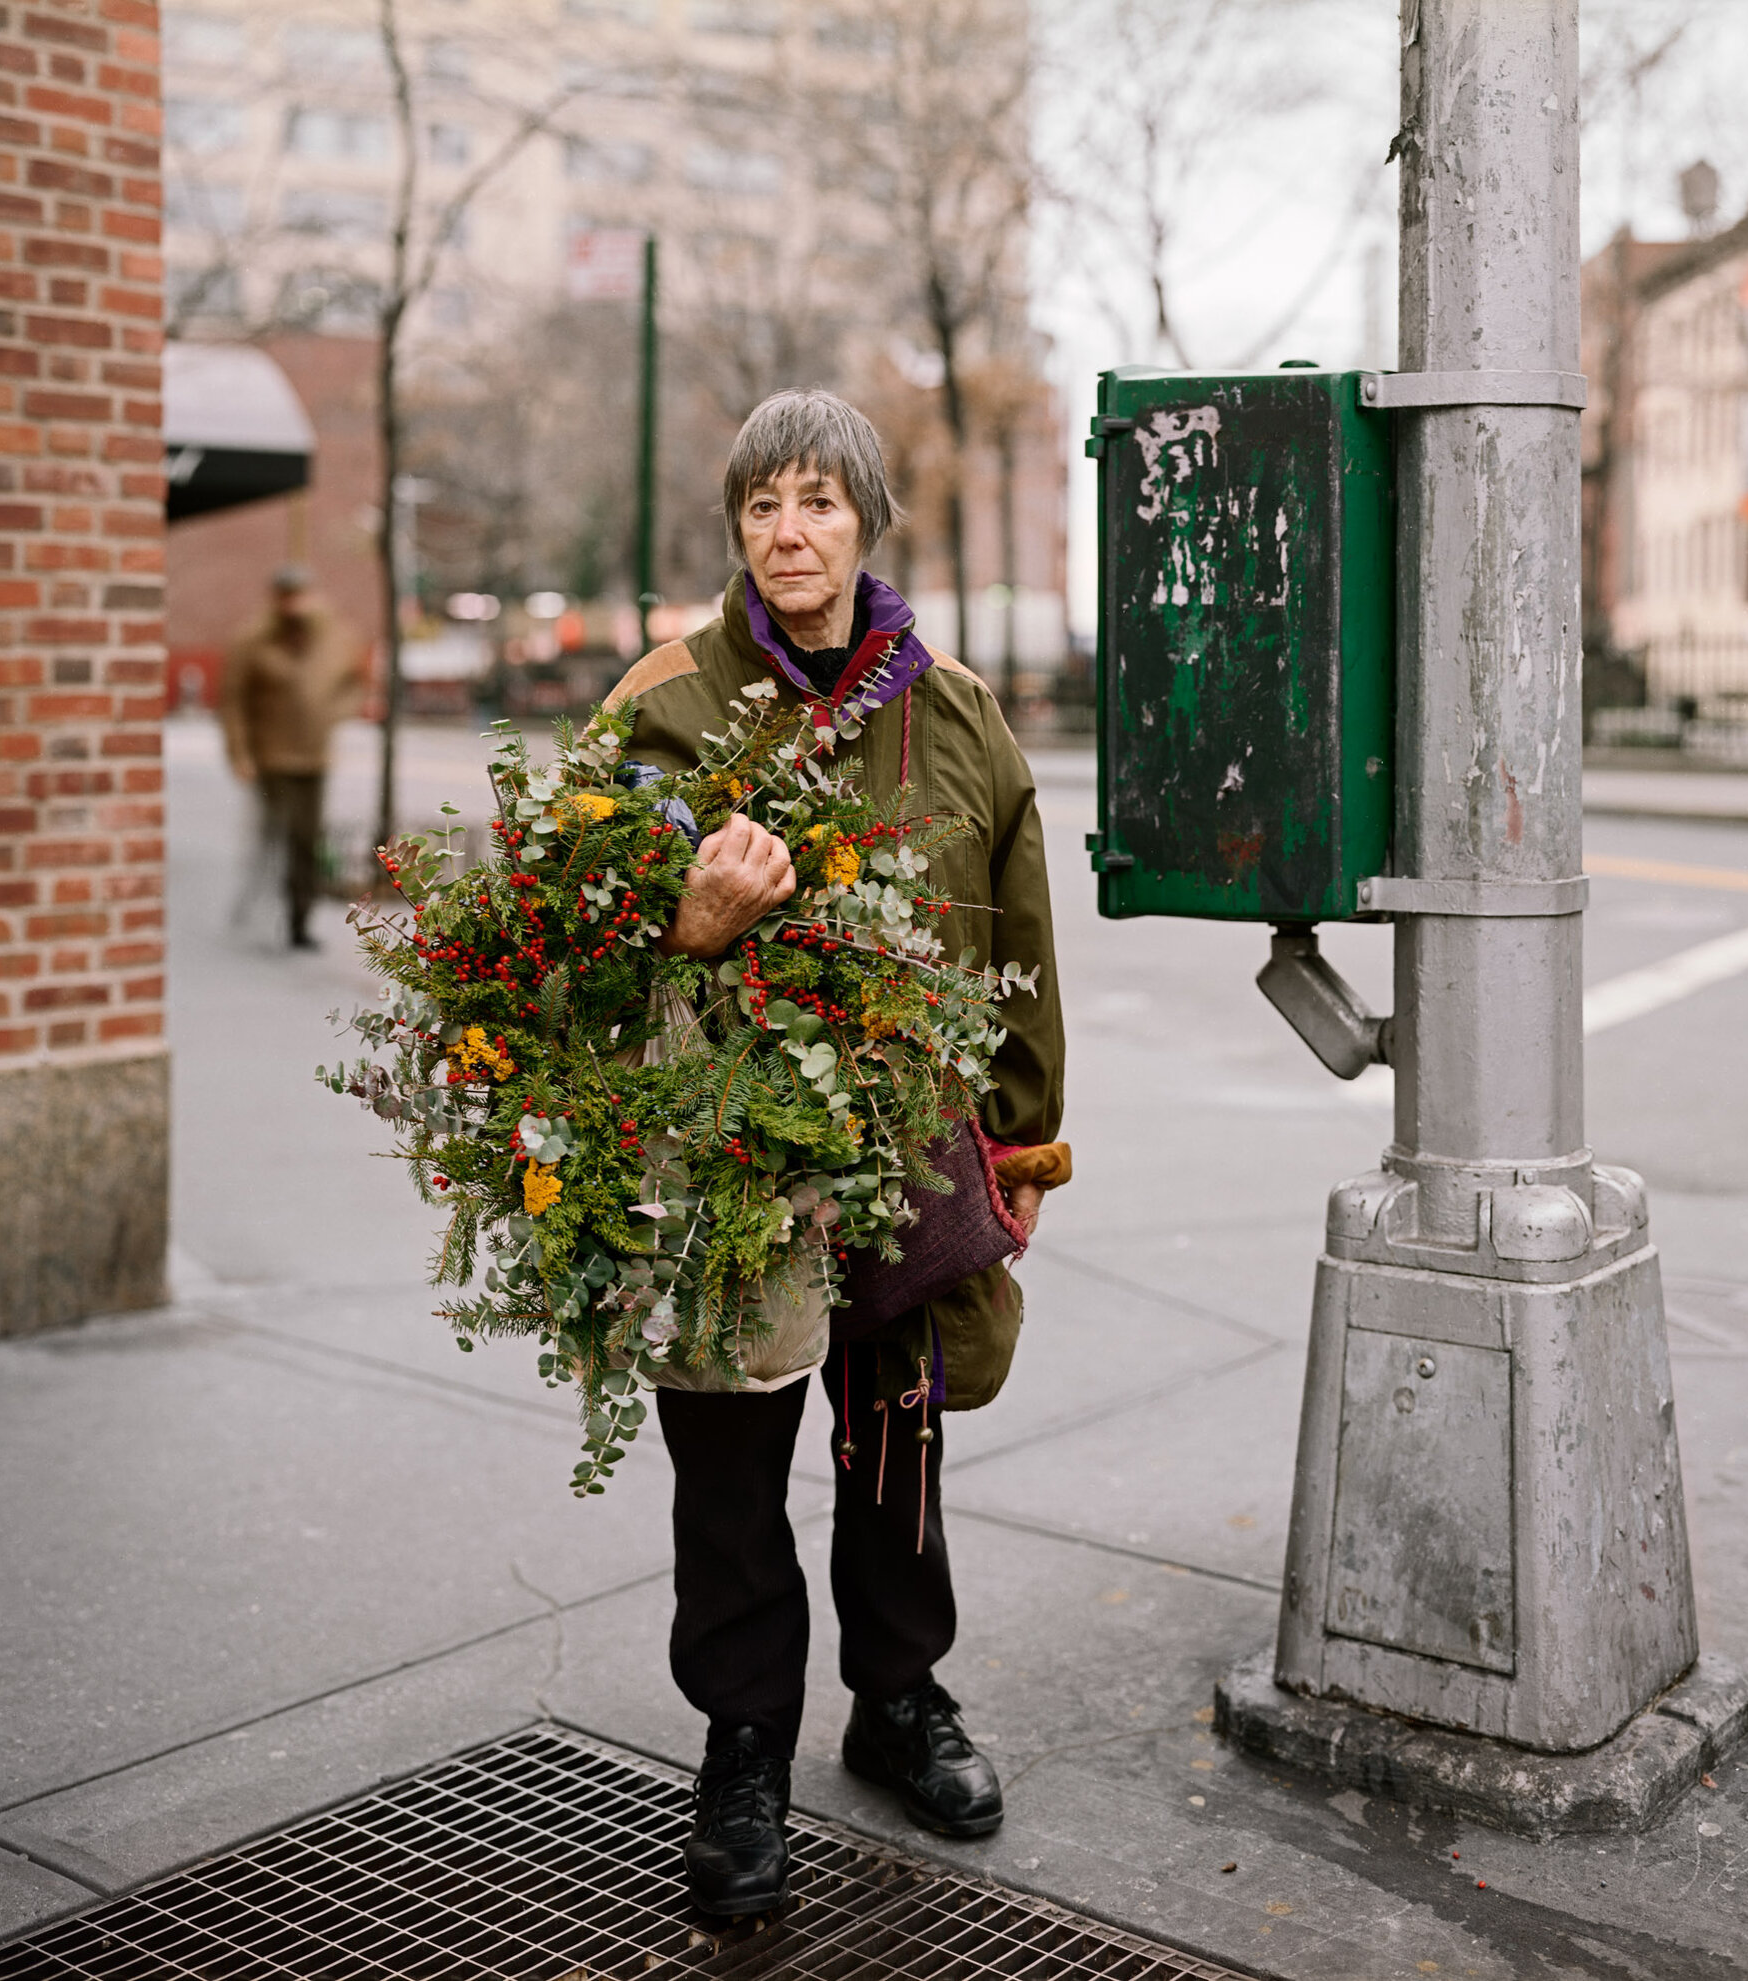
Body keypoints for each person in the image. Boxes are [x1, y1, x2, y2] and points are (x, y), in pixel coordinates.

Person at [602, 390, 1068, 1919]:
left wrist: (1021, 1146)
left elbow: (1021, 941)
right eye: (761, 506)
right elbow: (554, 950)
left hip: (913, 1160)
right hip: (729, 1162)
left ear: (866, 519)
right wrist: (682, 928)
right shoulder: (665, 703)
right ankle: (743, 1746)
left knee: (897, 1450)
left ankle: (897, 1701)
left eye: (817, 500)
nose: (789, 532)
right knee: (728, 1469)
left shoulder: (960, 712)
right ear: (735, 531)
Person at [218, 568, 365, 950]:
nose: (293, 603)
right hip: (271, 758)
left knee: (307, 840)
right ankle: (260, 907)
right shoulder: (252, 641)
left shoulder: (332, 636)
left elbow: (355, 684)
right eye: (286, 595)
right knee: (273, 836)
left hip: (315, 758)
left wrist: (334, 714)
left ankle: (300, 920)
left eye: (299, 594)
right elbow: (232, 702)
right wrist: (239, 753)